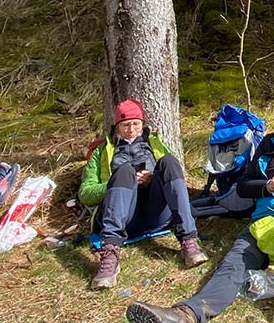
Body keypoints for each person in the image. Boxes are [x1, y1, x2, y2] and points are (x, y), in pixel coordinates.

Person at [125, 90, 274, 323]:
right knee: (232, 265)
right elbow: (245, 185)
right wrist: (268, 186)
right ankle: (187, 315)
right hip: (263, 223)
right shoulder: (268, 145)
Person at [81, 98, 207, 290]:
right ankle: (110, 253)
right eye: (125, 125)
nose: (131, 129)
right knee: (124, 171)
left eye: (135, 124)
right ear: (116, 126)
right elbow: (85, 194)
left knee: (169, 162)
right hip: (122, 216)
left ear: (142, 124)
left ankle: (188, 240)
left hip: (155, 213)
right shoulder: (102, 152)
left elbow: (170, 177)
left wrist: (151, 178)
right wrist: (115, 183)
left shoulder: (155, 145)